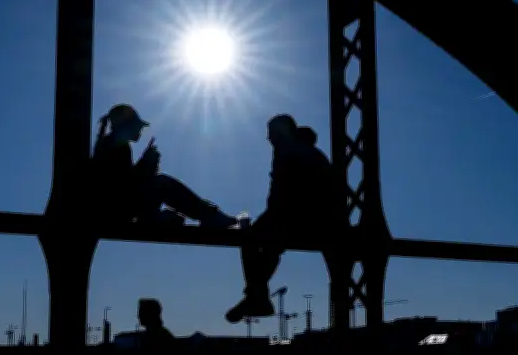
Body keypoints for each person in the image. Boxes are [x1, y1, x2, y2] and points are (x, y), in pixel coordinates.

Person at [225, 115, 336, 323]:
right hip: (318, 219)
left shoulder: (288, 152)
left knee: (249, 237)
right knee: (268, 245)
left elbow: (283, 197)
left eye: (271, 135)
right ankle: (256, 296)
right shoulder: (307, 151)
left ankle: (256, 296)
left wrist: (258, 223)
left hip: (303, 218)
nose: (269, 139)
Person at [92, 104, 239, 228]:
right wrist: (145, 163)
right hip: (114, 211)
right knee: (162, 183)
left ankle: (195, 214)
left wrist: (146, 166)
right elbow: (122, 186)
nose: (140, 131)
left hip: (115, 209)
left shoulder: (112, 144)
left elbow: (127, 182)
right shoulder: (115, 146)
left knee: (163, 189)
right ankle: (208, 215)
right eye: (138, 126)